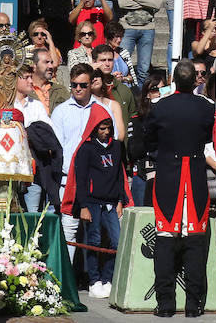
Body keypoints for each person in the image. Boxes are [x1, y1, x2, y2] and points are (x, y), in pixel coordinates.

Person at [143, 60, 215, 316]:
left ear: (174, 80)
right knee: (194, 243)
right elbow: (208, 136)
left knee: (165, 241)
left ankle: (165, 305)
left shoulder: (160, 107)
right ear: (194, 80)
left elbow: (149, 138)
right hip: (194, 176)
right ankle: (194, 305)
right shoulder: (206, 108)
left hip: (168, 177)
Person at [72, 113, 127, 298]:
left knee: (116, 241)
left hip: (111, 202)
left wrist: (120, 200)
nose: (106, 132)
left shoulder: (117, 147)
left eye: (108, 128)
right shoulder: (86, 149)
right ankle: (94, 280)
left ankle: (108, 279)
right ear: (94, 129)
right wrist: (83, 206)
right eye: (102, 129)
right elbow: (80, 179)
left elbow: (120, 175)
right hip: (92, 202)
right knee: (93, 241)